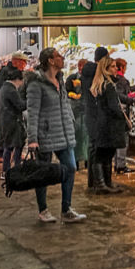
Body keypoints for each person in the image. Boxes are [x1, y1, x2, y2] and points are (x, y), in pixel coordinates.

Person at [25, 47, 87, 222]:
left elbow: (65, 105)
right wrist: (32, 139)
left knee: (71, 168)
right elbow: (32, 112)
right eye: (59, 56)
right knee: (43, 174)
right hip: (44, 135)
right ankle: (43, 209)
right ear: (51, 61)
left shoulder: (60, 81)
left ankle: (66, 209)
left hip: (64, 134)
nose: (62, 58)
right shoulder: (36, 84)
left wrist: (70, 121)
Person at [90, 57, 127, 196]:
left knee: (102, 154)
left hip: (101, 123)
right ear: (105, 69)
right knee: (105, 155)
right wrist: (122, 117)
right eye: (112, 66)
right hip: (110, 125)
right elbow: (113, 106)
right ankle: (103, 184)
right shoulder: (109, 85)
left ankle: (104, 183)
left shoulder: (99, 85)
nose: (116, 69)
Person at [81, 47, 109, 191]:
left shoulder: (86, 73)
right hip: (95, 116)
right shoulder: (95, 74)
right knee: (96, 149)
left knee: (93, 147)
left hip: (89, 114)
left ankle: (93, 182)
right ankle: (99, 183)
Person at [0, 66, 27, 181]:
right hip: (12, 121)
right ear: (17, 79)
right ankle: (13, 170)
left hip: (5, 121)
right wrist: (30, 101)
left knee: (8, 146)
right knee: (15, 146)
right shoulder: (10, 89)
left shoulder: (4, 87)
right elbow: (19, 105)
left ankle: (6, 171)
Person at [112, 58, 135, 174]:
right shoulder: (121, 80)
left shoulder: (114, 80)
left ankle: (117, 164)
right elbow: (121, 95)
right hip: (122, 113)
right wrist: (131, 100)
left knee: (118, 139)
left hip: (115, 114)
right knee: (123, 139)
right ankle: (121, 165)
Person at [65, 59, 90, 169]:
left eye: (83, 66)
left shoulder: (90, 79)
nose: (80, 68)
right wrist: (72, 95)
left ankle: (87, 160)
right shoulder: (71, 78)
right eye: (79, 66)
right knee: (76, 135)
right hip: (75, 111)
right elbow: (66, 91)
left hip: (86, 112)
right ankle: (75, 160)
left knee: (87, 137)